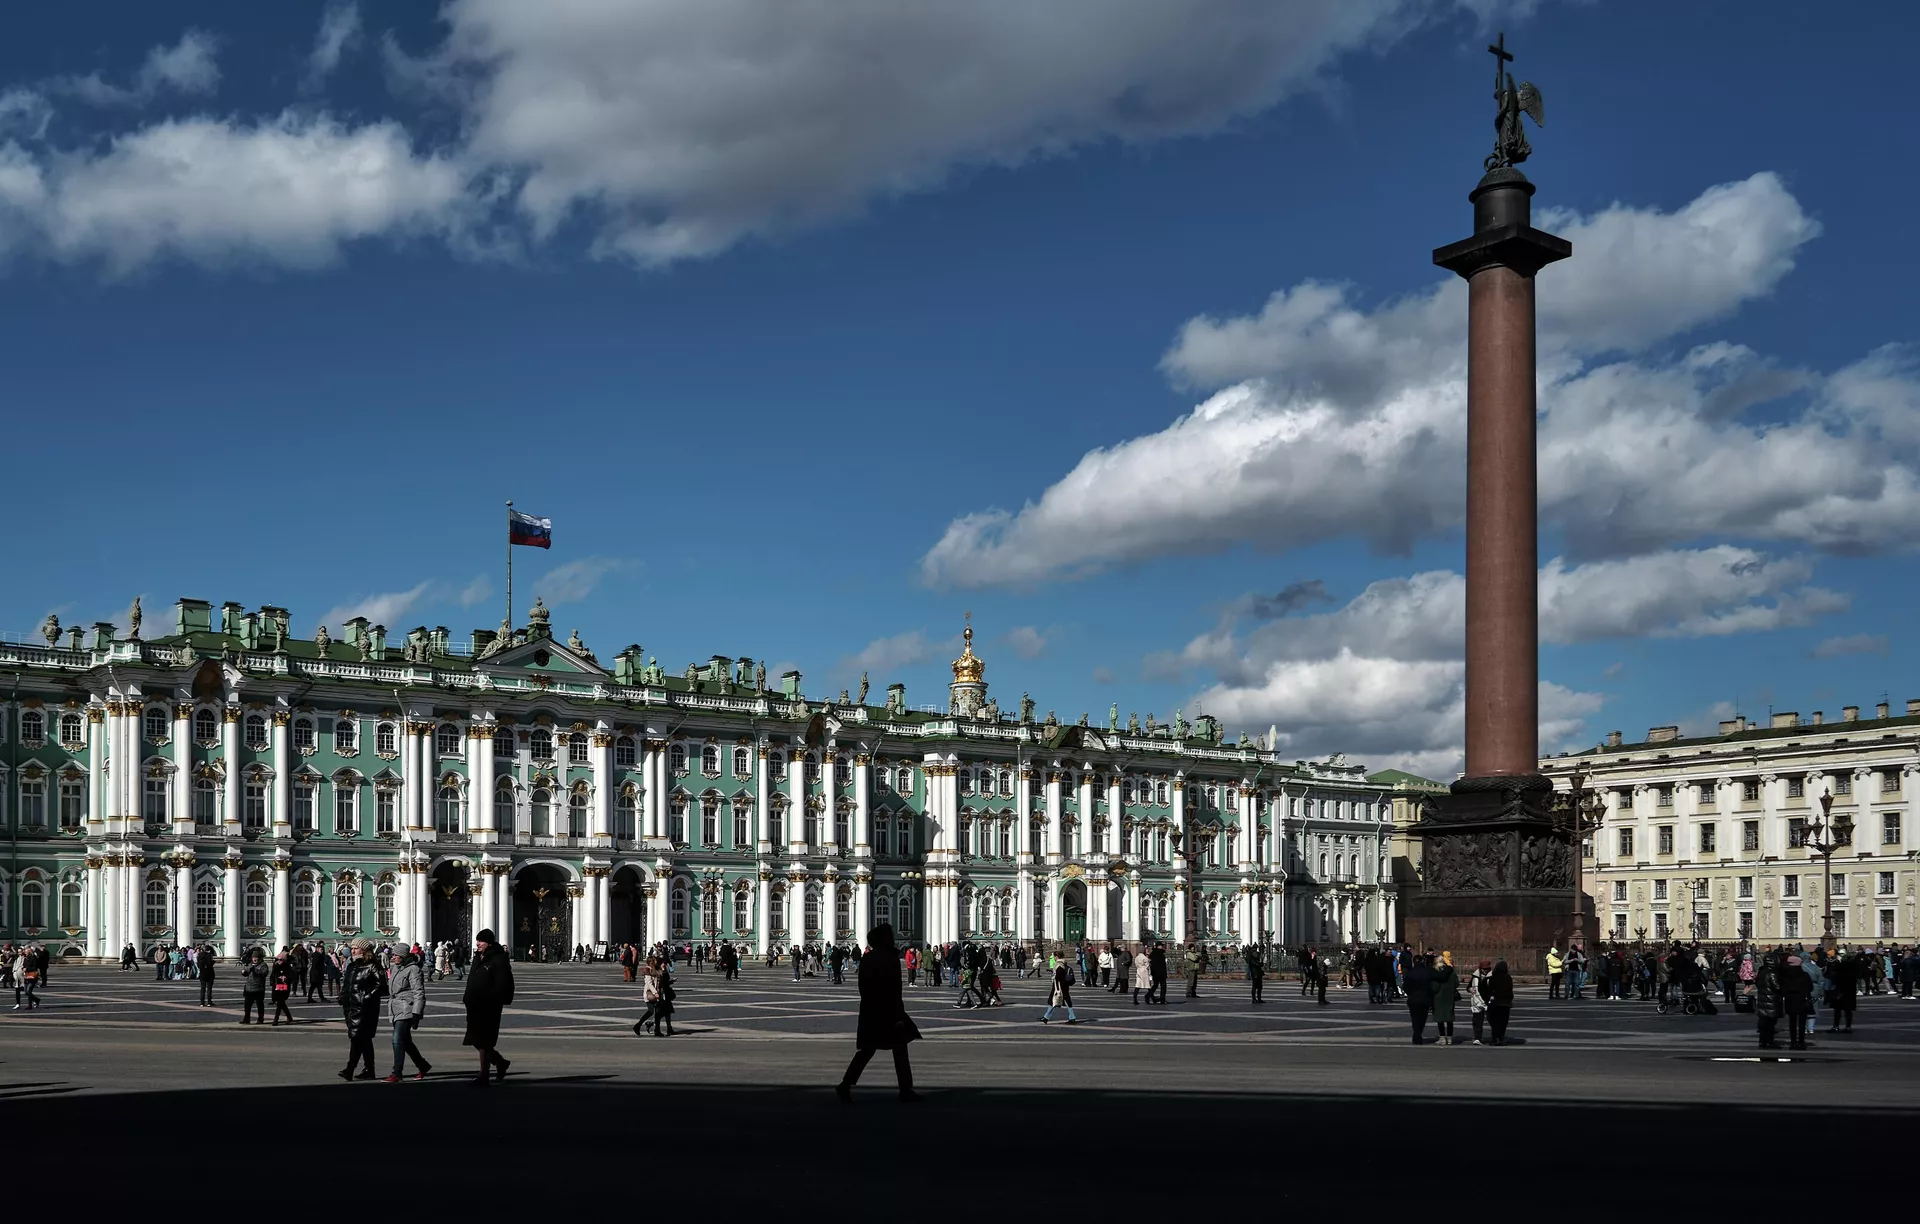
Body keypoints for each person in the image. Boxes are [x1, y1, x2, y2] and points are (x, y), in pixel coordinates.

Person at [835, 924, 919, 1102]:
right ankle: (905, 1090)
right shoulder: (890, 959)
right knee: (900, 1052)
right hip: (889, 1012)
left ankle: (845, 1084)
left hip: (871, 1012)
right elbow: (895, 990)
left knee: (867, 1051)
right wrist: (897, 1015)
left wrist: (870, 1006)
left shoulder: (868, 958)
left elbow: (863, 987)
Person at [462, 929, 515, 1086]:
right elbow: (472, 979)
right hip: (474, 1005)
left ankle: (483, 1075)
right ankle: (500, 1062)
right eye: (477, 940)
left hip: (488, 1006)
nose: (477, 943)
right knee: (476, 1040)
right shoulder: (479, 957)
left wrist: (492, 999)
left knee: (484, 1041)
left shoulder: (498, 959)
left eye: (481, 941)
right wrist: (467, 997)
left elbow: (502, 984)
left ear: (489, 943)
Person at [337, 939, 387, 1080]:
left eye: (356, 948)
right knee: (364, 1040)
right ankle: (369, 1070)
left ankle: (349, 1069)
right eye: (352, 948)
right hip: (351, 1008)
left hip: (365, 1010)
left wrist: (366, 997)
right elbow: (348, 985)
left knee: (357, 1039)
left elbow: (381, 986)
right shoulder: (352, 966)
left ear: (364, 950)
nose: (353, 951)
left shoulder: (373, 966)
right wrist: (342, 996)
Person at [386, 944, 432, 1082]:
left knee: (397, 1040)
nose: (393, 957)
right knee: (406, 1041)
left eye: (395, 955)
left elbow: (418, 992)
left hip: (407, 1008)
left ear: (403, 956)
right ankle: (422, 1065)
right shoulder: (396, 968)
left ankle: (397, 1073)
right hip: (395, 1008)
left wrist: (417, 1013)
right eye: (392, 955)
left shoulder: (413, 969)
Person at [1778, 953, 1815, 1050]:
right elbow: (1810, 988)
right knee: (1802, 1023)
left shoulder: (1785, 976)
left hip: (1790, 1000)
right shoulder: (1804, 975)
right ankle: (1801, 1042)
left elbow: (1782, 989)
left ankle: (1793, 1042)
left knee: (1792, 1022)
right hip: (1802, 1000)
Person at [1429, 951, 1460, 1045]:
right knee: (1449, 1019)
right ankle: (1450, 1038)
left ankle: (1442, 1037)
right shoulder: (1451, 972)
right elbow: (1456, 983)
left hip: (1438, 998)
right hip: (1449, 997)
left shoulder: (1436, 973)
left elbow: (1434, 987)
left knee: (1440, 1019)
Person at [1403, 952, 1433, 1044]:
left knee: (1415, 1018)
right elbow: (1431, 986)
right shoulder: (1427, 971)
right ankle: (1418, 1033)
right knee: (1423, 1018)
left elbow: (1405, 986)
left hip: (1413, 998)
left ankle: (1416, 1035)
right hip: (1425, 998)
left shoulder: (1410, 972)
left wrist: (1410, 993)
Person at [1040, 956, 1079, 1024]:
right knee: (1062, 1001)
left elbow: (1058, 976)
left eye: (1055, 957)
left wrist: (1054, 976)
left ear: (1056, 957)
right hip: (1063, 986)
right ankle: (1046, 1017)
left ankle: (1072, 1017)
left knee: (1054, 1001)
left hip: (1058, 987)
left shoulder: (1059, 965)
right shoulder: (1064, 965)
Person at [1486, 960, 1514, 1045]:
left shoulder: (1493, 977)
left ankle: (1495, 1038)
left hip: (1495, 1002)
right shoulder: (1508, 977)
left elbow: (1490, 989)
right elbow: (1510, 990)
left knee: (1494, 1021)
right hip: (1506, 1003)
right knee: (1503, 1022)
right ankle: (1501, 1038)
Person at [1467, 959, 1493, 1045]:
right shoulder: (1475, 976)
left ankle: (1495, 1037)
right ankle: (1477, 1038)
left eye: (1487, 969)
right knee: (1477, 1021)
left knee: (1492, 1021)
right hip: (1477, 1002)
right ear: (1480, 968)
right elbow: (1469, 987)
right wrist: (1470, 989)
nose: (1485, 971)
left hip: (1488, 1002)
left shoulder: (1492, 977)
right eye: (1483, 969)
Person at [240, 948, 268, 1023]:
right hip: (249, 988)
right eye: (253, 957)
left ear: (259, 958)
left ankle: (260, 1019)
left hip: (259, 989)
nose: (254, 959)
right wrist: (244, 973)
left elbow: (264, 973)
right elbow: (247, 973)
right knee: (247, 1006)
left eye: (256, 958)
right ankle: (246, 1019)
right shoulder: (250, 964)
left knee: (259, 1005)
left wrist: (255, 970)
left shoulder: (263, 965)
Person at [269, 951, 296, 1026]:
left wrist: (286, 978)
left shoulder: (287, 966)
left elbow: (293, 976)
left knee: (280, 1003)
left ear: (284, 960)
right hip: (276, 987)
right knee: (281, 1003)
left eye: (281, 959)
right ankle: (289, 1017)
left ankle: (276, 1019)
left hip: (284, 987)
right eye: (278, 959)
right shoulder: (275, 966)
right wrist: (272, 983)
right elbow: (272, 975)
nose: (279, 961)